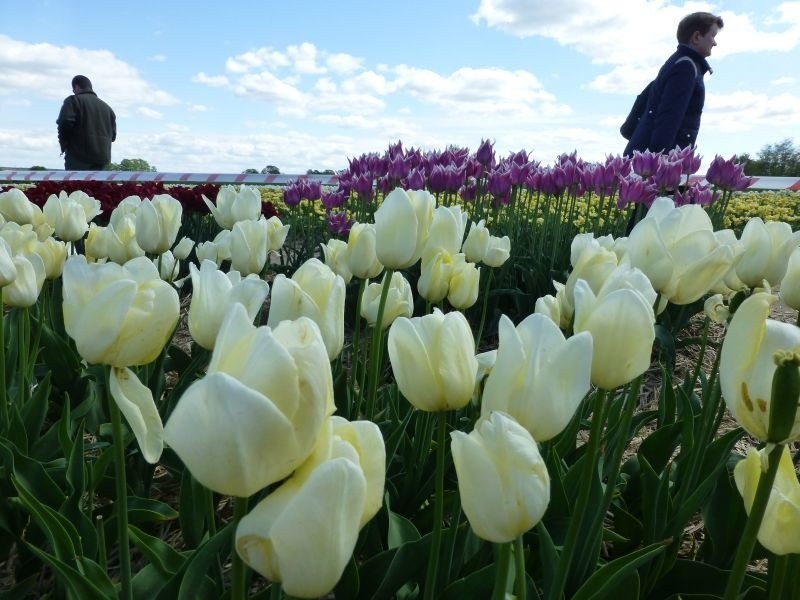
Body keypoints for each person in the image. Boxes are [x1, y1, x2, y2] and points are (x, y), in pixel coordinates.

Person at [624, 12, 724, 157]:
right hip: (655, 164)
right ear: (696, 37)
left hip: (646, 157)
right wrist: (662, 163)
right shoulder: (686, 67)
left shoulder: (680, 62)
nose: (715, 43)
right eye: (713, 36)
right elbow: (668, 119)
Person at [56, 75, 116, 170]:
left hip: (78, 156)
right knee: (96, 184)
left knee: (76, 184)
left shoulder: (73, 100)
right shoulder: (108, 108)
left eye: (73, 89)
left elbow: (65, 123)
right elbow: (113, 136)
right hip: (101, 159)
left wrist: (64, 144)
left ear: (76, 86)